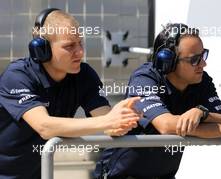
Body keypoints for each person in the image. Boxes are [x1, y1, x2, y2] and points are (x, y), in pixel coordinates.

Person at [94, 23, 221, 179]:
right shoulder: (144, 78)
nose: (203, 64)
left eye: (203, 55)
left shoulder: (201, 80)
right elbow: (166, 125)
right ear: (168, 62)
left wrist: (201, 113)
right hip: (121, 175)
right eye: (195, 59)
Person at [0, 8, 141, 179]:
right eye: (69, 46)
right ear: (42, 49)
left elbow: (106, 119)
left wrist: (123, 119)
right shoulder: (17, 75)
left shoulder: (83, 74)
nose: (80, 52)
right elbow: (44, 126)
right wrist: (107, 121)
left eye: (80, 43)